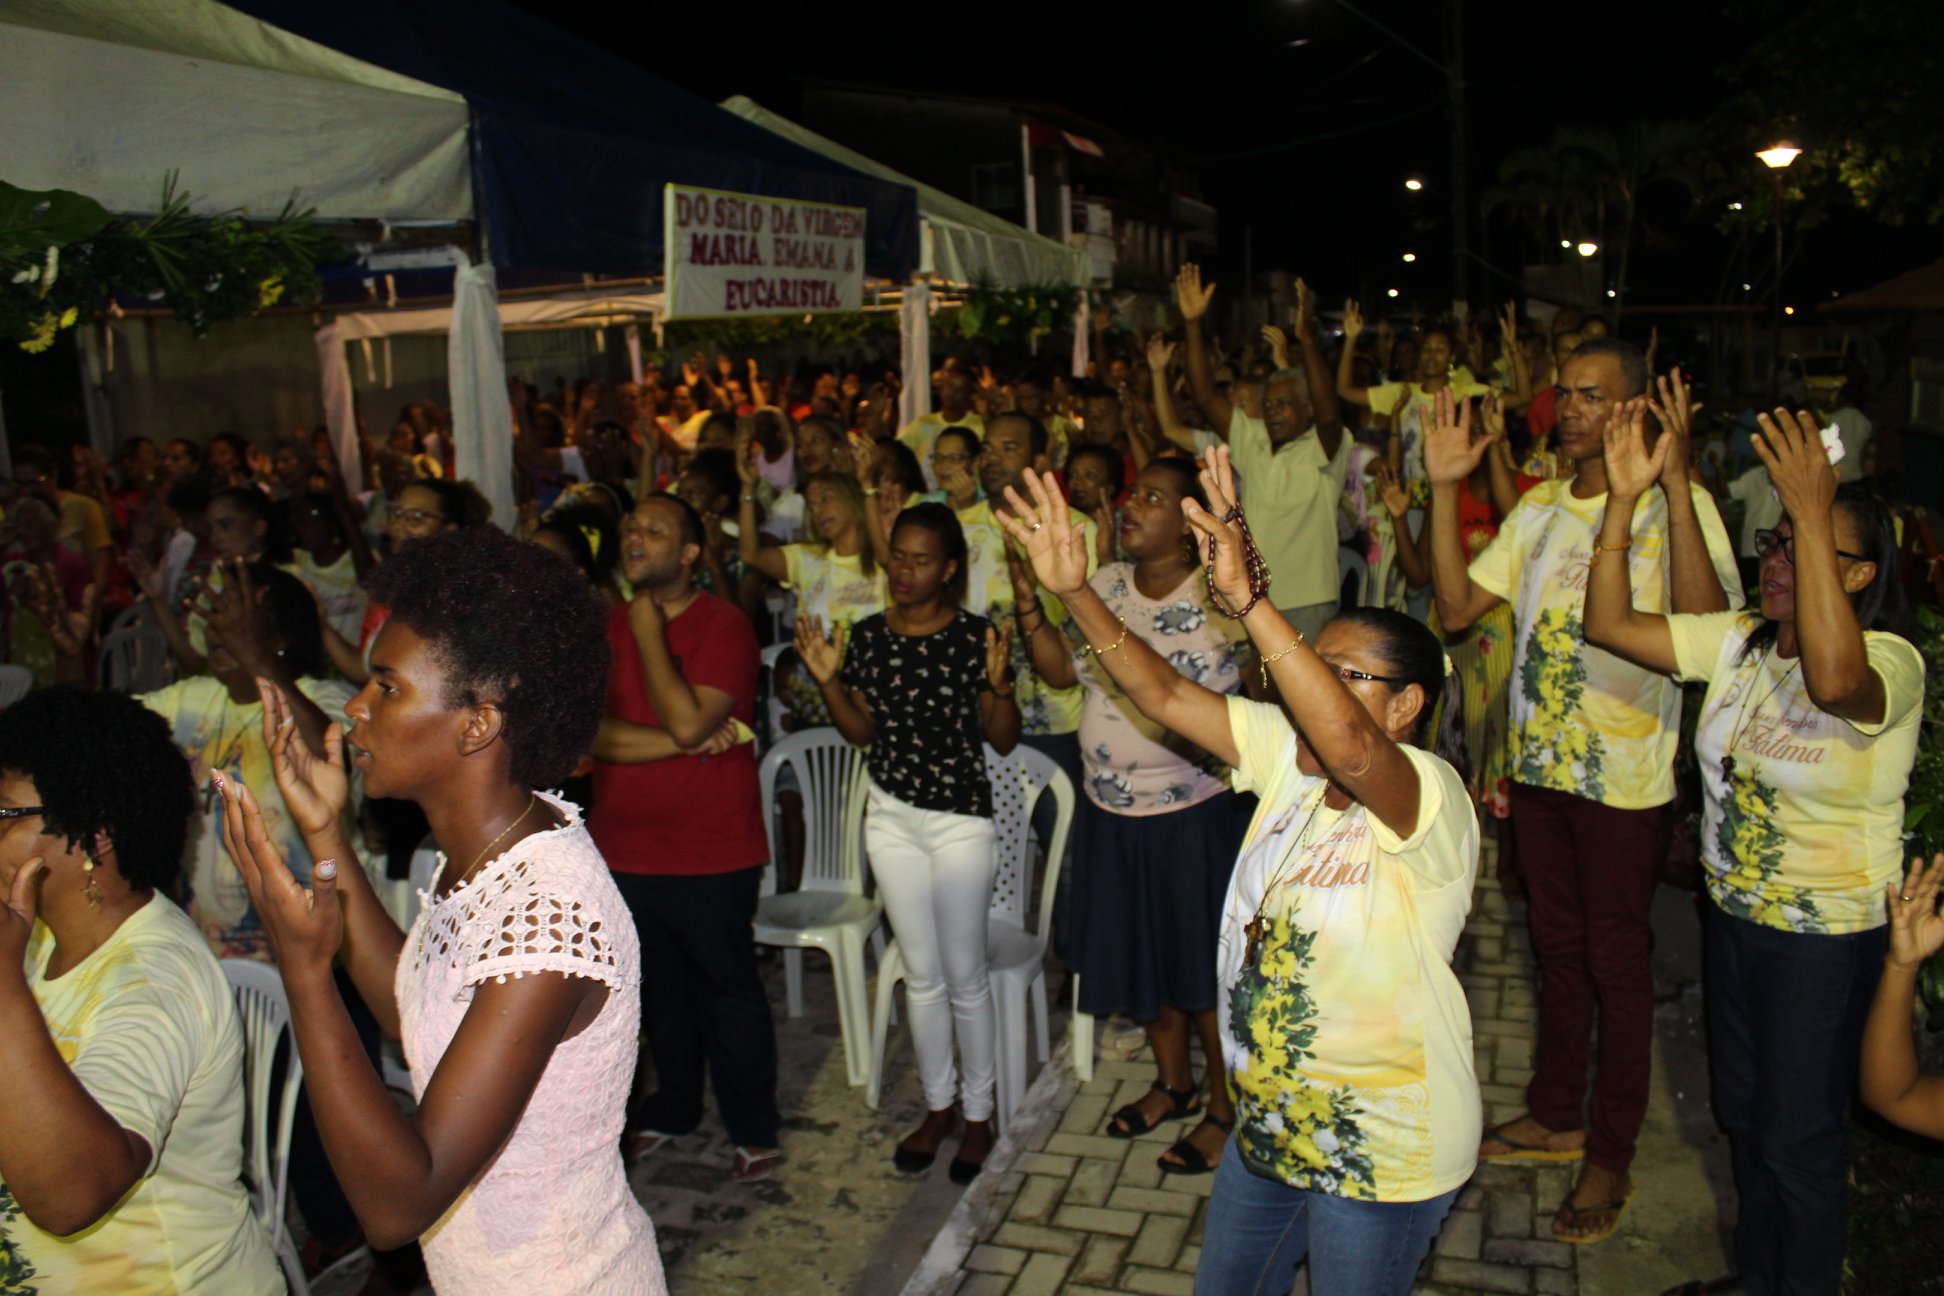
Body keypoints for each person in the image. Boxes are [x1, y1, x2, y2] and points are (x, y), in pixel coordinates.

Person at [998, 455, 1479, 1296]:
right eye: (1305, 668)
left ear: (1405, 706)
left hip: (1383, 1147)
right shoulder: (1289, 762)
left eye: (1340, 677)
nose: (1306, 692)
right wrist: (1075, 592)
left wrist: (1254, 607)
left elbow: (1356, 749)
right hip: (1269, 1128)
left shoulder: (1428, 795)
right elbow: (1165, 694)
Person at [214, 527, 665, 1293]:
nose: (355, 709)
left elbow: (400, 1205)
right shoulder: (495, 851)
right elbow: (413, 1013)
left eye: (387, 687)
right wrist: (325, 832)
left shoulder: (547, 919)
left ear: (477, 723)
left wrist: (307, 976)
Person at [1584, 405, 1920, 1294]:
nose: (1776, 560)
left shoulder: (1889, 661)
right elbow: (1611, 625)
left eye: (1801, 547)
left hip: (1826, 942)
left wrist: (1814, 509)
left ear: (1857, 574)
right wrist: (1624, 503)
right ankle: (1761, 1277)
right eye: (1771, 542)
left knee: (1798, 1139)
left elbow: (1837, 680)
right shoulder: (1738, 643)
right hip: (1734, 924)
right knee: (1742, 1116)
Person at [1426, 340, 1743, 1245]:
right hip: (1540, 776)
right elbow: (1454, 612)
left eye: (1591, 395)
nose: (1568, 408)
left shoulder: (1680, 509)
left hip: (1624, 784)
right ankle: (1558, 1112)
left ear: (1635, 409)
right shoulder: (1537, 508)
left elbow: (1706, 628)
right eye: (1563, 393)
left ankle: (1611, 1151)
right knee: (1555, 954)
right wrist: (1447, 490)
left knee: (1618, 968)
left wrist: (1672, 490)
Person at [0, 685, 281, 1292]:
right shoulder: (42, 936)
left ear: (94, 834)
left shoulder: (154, 979)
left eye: (5, 814)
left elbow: (74, 1193)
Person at [1018, 459, 1255, 1175]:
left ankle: (1225, 1109)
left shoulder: (1217, 600)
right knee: (1146, 958)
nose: (1130, 505)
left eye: (1152, 497)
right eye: (1132, 492)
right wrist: (1032, 592)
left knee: (1202, 973)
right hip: (1110, 813)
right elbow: (1064, 672)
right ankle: (1173, 1084)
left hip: (1192, 817)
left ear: (1188, 524)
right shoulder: (1107, 585)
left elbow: (1215, 708)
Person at [796, 502, 1019, 1183]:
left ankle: (980, 1115)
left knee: (964, 975)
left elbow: (1004, 739)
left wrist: (1001, 685)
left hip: (959, 821)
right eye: (898, 557)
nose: (904, 570)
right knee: (920, 977)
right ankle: (939, 1104)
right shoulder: (866, 636)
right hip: (890, 816)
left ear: (950, 569)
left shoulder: (975, 637)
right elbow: (861, 735)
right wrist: (830, 681)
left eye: (921, 560)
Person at [591, 495, 780, 1183]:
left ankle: (753, 1126)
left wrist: (647, 635)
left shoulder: (724, 627)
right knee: (655, 996)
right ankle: (674, 1108)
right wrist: (683, 743)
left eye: (653, 530)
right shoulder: (603, 625)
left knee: (727, 991)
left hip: (710, 851)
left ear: (692, 552)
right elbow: (596, 735)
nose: (633, 537)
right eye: (629, 527)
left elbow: (689, 716)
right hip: (621, 847)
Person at [1173, 265, 1346, 641]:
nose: (1272, 411)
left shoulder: (1325, 446)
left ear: (1308, 409)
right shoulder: (1251, 439)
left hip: (1309, 600)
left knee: (1302, 698)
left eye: (1284, 403)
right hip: (1253, 594)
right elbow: (1204, 395)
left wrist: (1307, 341)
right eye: (1268, 403)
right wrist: (1192, 324)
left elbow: (1331, 415)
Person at [901, 370, 985, 490]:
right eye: (949, 385)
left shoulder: (979, 424)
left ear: (969, 395)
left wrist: (986, 414)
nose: (952, 392)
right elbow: (898, 452)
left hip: (966, 494)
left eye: (960, 388)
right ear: (941, 388)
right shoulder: (923, 423)